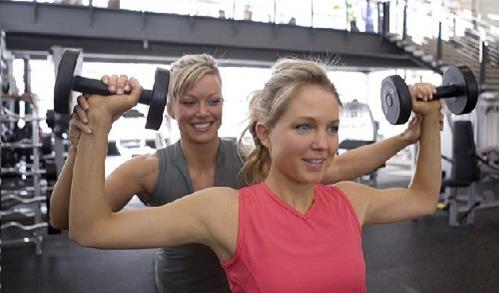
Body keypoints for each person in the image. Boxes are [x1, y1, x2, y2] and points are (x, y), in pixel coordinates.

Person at [51, 54, 427, 293]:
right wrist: (87, 136)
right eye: (189, 102)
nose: (203, 112)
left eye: (213, 101)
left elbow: (338, 165)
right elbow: (65, 220)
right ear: (168, 109)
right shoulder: (147, 169)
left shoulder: (250, 157)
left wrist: (407, 137)